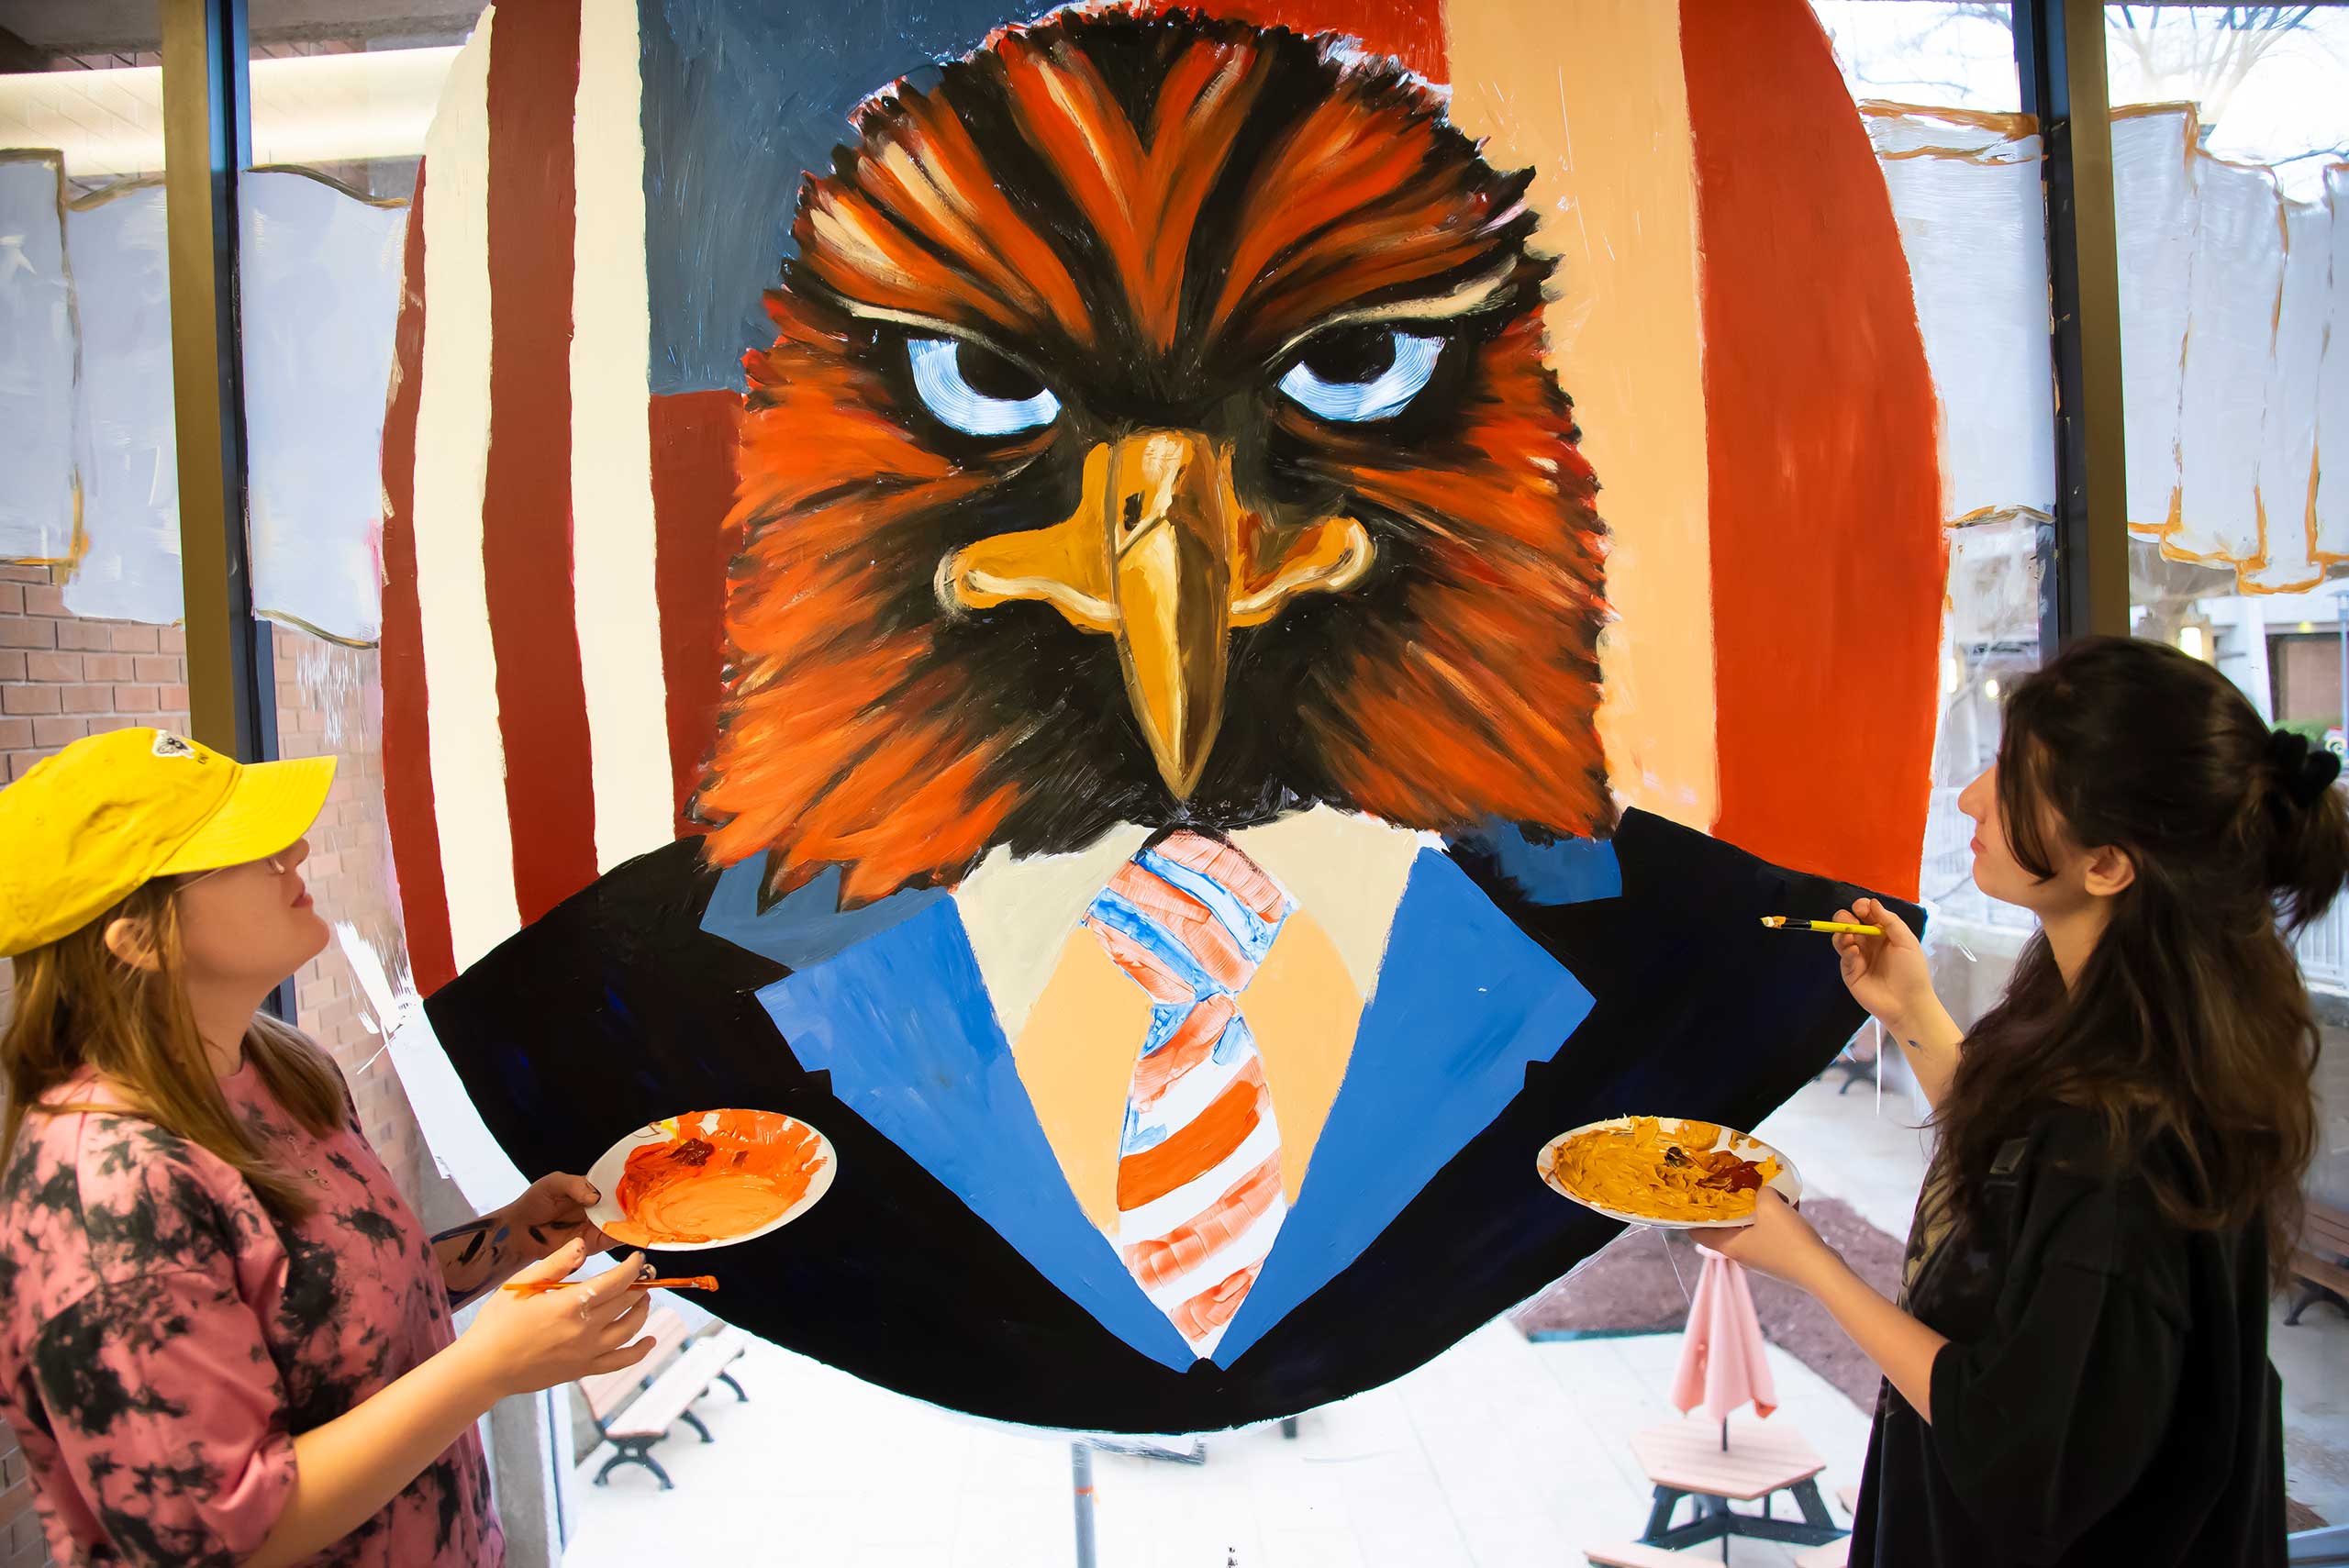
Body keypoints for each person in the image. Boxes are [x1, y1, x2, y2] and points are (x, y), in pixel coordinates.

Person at [1715, 635, 2346, 1566]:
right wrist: (1914, 1009)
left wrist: (1807, 1260)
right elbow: (2024, 1166)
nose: (1972, 796)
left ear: (2108, 864)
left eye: (2013, 779)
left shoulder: (2131, 1143)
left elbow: (2010, 1443)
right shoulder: (2119, 1008)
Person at [0, 728, 656, 1568]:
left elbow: (334, 1306)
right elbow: (221, 1539)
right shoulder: (103, 1190)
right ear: (138, 938)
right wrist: (485, 1368)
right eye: (242, 849)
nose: (297, 852)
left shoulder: (281, 1068)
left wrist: (509, 1237)